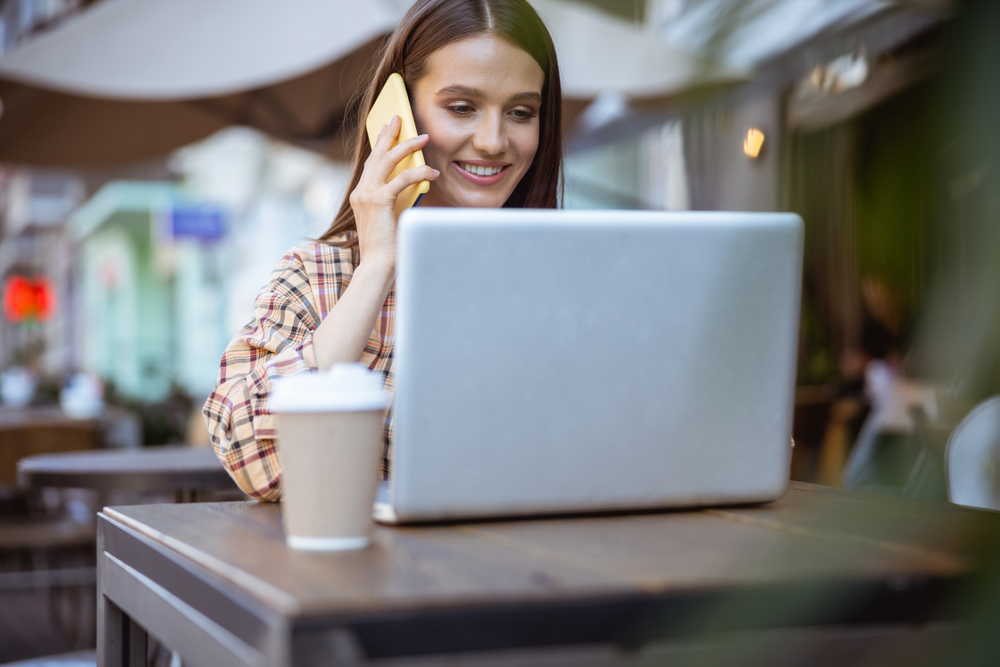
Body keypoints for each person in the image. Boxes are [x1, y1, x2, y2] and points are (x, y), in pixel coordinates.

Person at [203, 0, 563, 501]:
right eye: (461, 107)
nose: (493, 140)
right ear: (397, 114)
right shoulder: (320, 275)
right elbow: (255, 461)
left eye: (521, 112)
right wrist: (376, 266)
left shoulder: (566, 277)